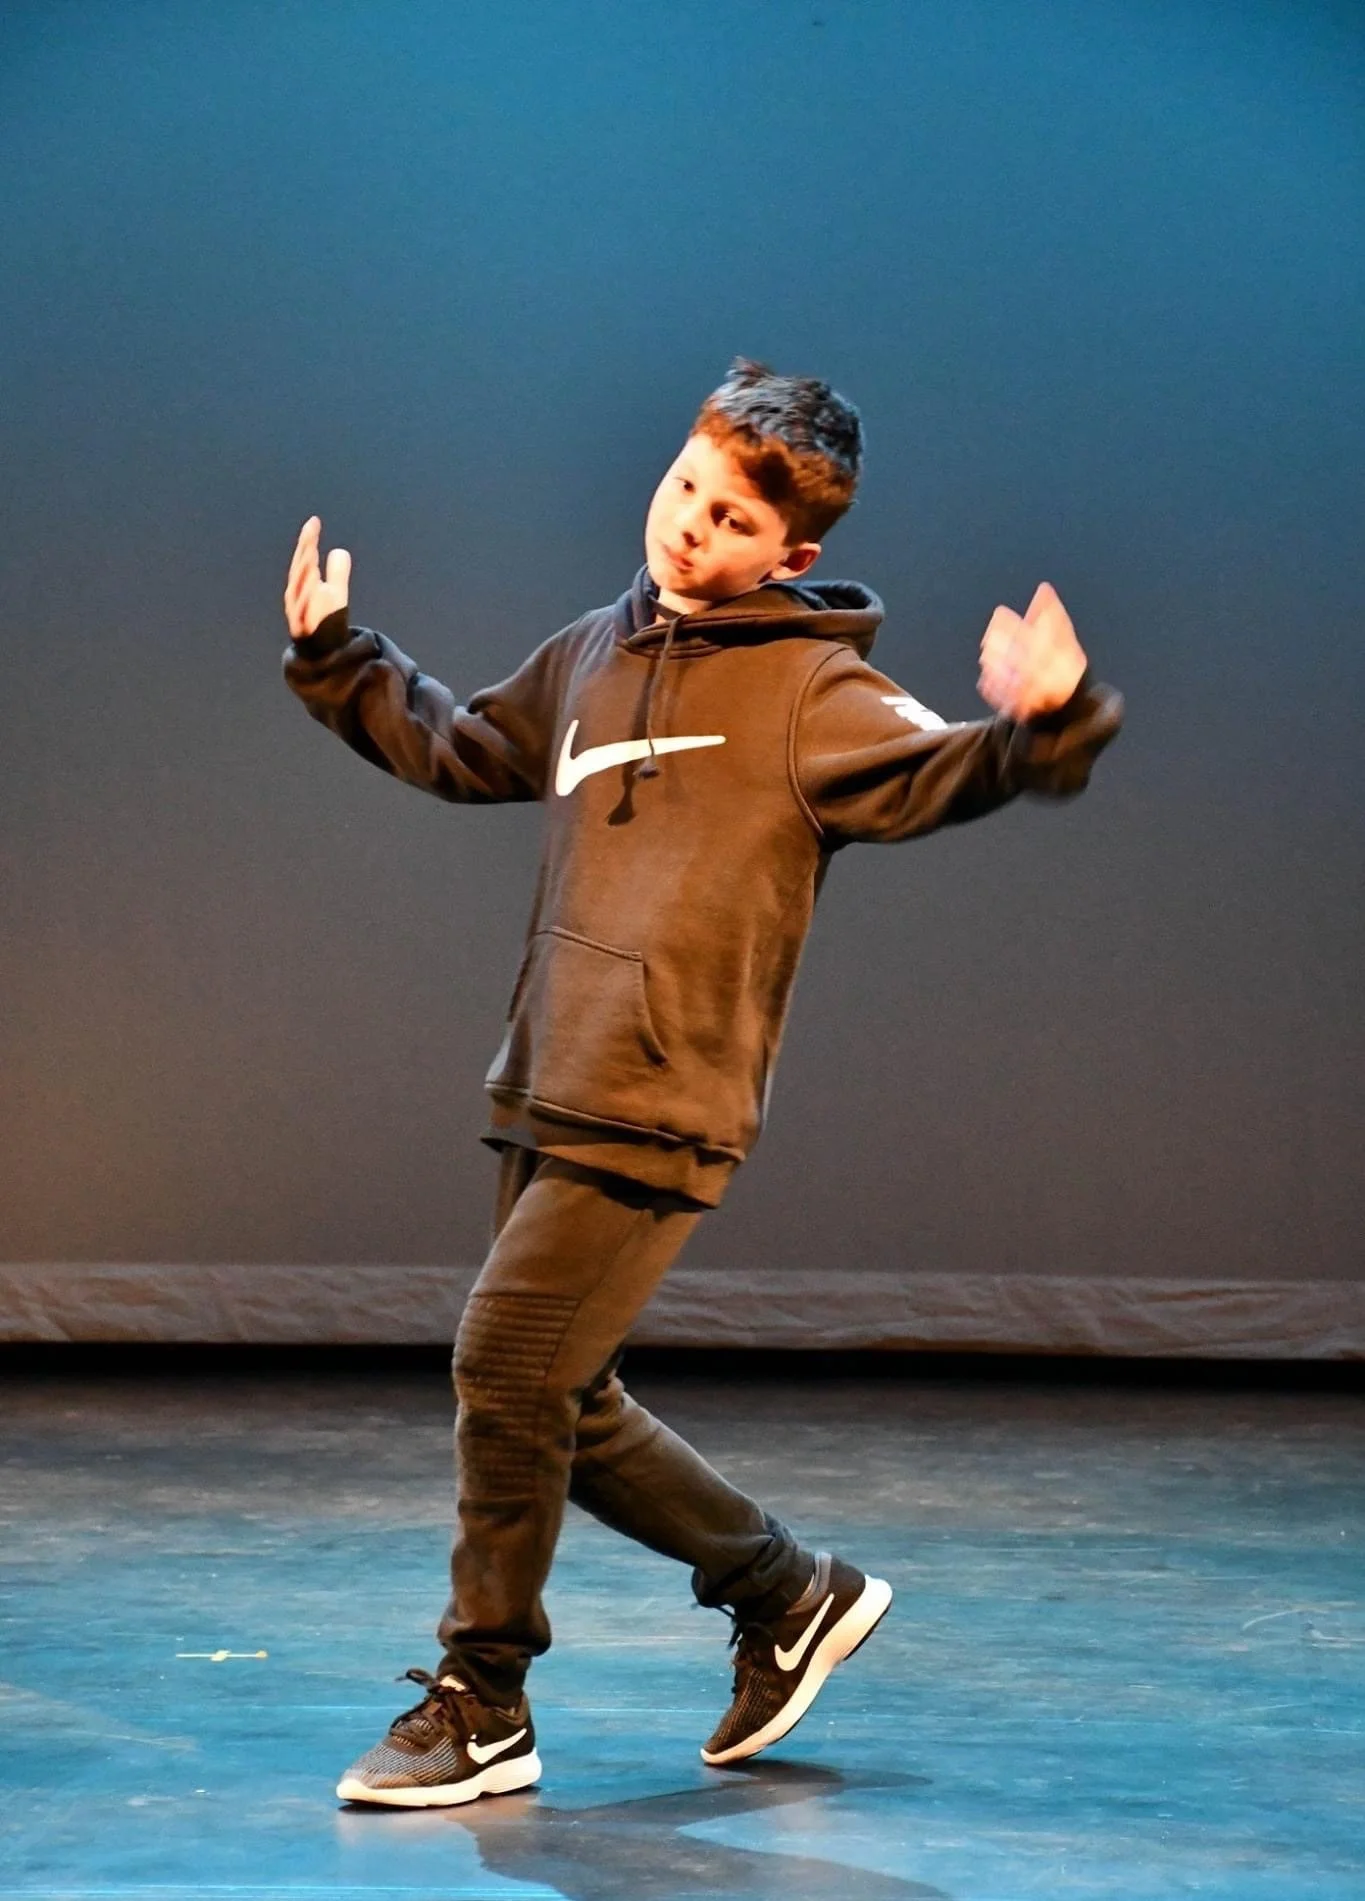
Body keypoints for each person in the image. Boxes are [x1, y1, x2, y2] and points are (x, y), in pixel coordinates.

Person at [281, 357, 1123, 1808]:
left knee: (502, 1366)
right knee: (561, 1398)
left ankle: (484, 1698)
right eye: (685, 489)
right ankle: (786, 1593)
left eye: (730, 520)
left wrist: (1051, 724)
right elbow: (471, 746)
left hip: (662, 1098)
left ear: (792, 554)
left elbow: (949, 771)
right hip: (546, 1077)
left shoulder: (815, 693)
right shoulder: (594, 651)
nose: (687, 528)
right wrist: (341, 660)